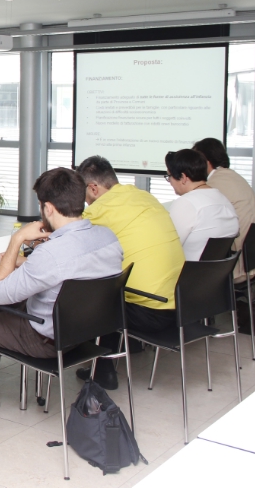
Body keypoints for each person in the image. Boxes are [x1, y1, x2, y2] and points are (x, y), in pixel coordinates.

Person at [0, 168, 123, 410]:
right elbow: (73, 269)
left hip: (42, 339)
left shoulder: (50, 253)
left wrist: (17, 239)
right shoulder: (108, 237)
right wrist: (34, 257)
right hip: (83, 332)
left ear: (48, 208)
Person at [75, 156, 185, 390]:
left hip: (149, 312)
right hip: (181, 304)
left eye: (83, 194)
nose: (84, 201)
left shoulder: (101, 209)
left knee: (90, 298)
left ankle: (103, 372)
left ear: (93, 188)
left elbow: (67, 238)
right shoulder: (144, 196)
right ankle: (127, 347)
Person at [192, 137, 255, 281]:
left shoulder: (215, 183)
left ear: (206, 162)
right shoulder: (232, 176)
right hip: (252, 259)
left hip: (234, 264)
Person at [165, 149, 239, 262]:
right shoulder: (223, 199)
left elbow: (166, 245)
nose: (170, 181)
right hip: (213, 272)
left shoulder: (187, 203)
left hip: (186, 271)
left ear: (183, 178)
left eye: (169, 176)